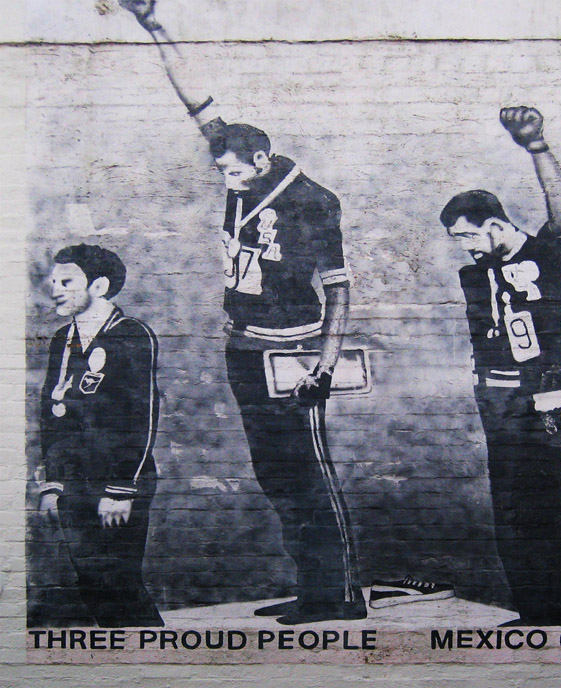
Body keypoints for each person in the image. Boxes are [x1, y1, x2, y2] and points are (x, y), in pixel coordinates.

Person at [117, 0, 369, 624]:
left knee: (308, 472)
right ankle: (315, 587)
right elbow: (197, 103)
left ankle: (339, 597)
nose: (227, 180)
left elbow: (338, 290)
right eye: (221, 171)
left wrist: (325, 366)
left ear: (262, 160)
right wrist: (156, 27)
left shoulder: (312, 201)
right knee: (276, 473)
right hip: (244, 347)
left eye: (235, 171)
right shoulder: (239, 169)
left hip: (295, 351)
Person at [439, 107, 561, 626]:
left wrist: (537, 147)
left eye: (468, 235)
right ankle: (534, 614)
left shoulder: (549, 254)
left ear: (497, 224)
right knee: (514, 513)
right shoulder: (476, 272)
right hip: (499, 404)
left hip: (547, 402)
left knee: (559, 513)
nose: (464, 245)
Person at [38, 243, 163, 627]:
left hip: (117, 480)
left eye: (66, 281)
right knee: (92, 583)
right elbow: (51, 415)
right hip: (74, 480)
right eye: (53, 281)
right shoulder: (63, 338)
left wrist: (121, 489)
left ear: (100, 285)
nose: (54, 288)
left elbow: (142, 418)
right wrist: (53, 482)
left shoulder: (132, 335)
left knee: (120, 581)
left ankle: (156, 661)